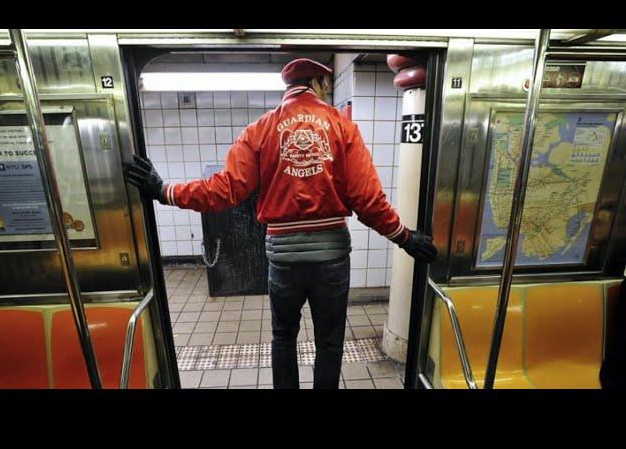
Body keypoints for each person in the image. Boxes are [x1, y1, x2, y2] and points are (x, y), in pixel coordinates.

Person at [124, 58, 439, 389]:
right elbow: (368, 200)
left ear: (289, 86)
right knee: (329, 344)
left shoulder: (260, 129)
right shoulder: (342, 126)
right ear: (317, 82)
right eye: (327, 85)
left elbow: (225, 189)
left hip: (283, 262)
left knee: (283, 339)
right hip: (331, 261)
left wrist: (164, 190)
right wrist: (405, 238)